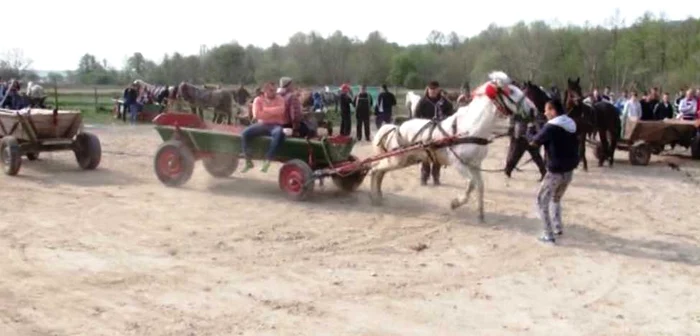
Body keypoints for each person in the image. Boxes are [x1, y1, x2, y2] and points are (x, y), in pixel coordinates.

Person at [527, 98, 579, 244]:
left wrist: (529, 129)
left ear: (553, 111)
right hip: (569, 172)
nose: (545, 112)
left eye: (547, 109)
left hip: (555, 172)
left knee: (541, 201)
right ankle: (557, 227)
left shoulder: (550, 127)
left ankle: (548, 235)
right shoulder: (571, 123)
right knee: (556, 199)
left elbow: (533, 142)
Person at [240, 81, 287, 173]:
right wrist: (272, 113)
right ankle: (248, 160)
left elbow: (281, 110)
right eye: (271, 90)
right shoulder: (258, 100)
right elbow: (257, 115)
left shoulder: (280, 99)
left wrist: (265, 110)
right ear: (265, 90)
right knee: (245, 133)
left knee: (279, 133)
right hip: (262, 125)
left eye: (274, 90)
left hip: (275, 125)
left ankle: (268, 160)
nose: (274, 92)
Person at [414, 80, 454, 185]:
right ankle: (424, 177)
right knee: (425, 154)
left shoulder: (445, 101)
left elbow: (451, 114)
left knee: (438, 155)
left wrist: (444, 120)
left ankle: (436, 177)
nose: (432, 91)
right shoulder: (423, 101)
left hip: (440, 131)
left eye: (434, 89)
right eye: (430, 89)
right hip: (426, 130)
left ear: (438, 89)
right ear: (428, 89)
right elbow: (416, 116)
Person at [505, 107, 547, 181]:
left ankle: (508, 170)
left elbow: (537, 122)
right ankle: (508, 170)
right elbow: (513, 119)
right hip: (524, 135)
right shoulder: (522, 109)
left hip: (526, 136)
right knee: (535, 156)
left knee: (516, 155)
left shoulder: (530, 110)